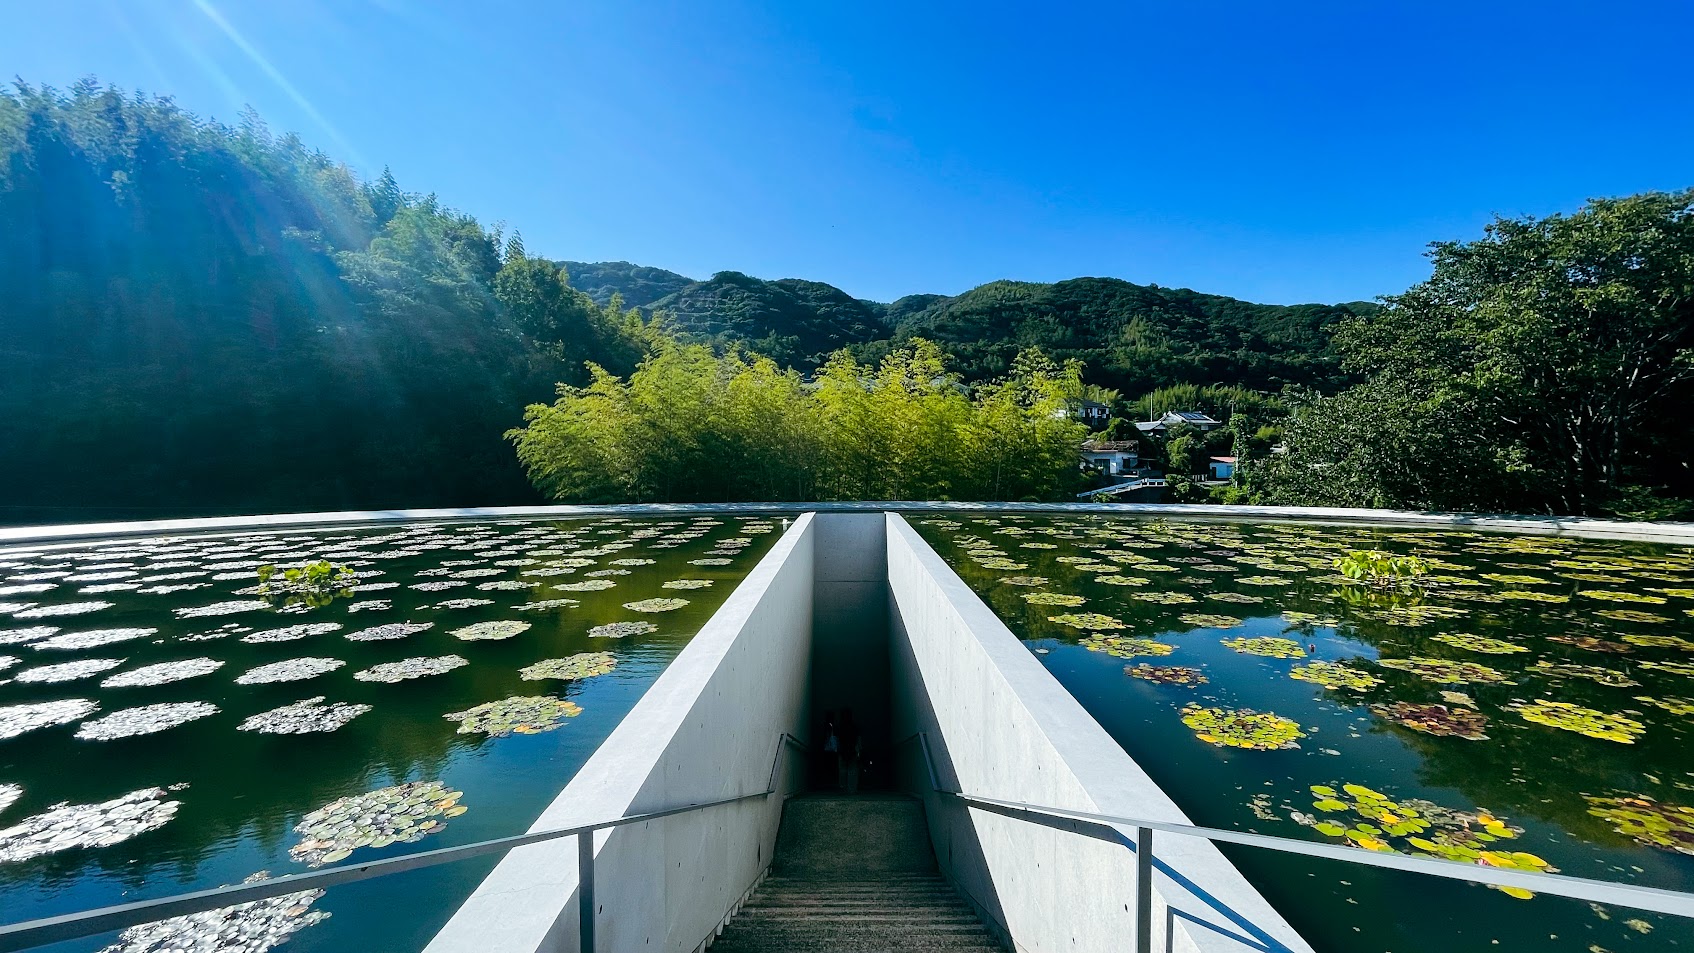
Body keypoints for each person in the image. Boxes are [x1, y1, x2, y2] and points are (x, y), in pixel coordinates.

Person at [837, 708, 862, 793]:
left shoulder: (840, 727)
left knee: (842, 770)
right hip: (852, 749)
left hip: (843, 750)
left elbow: (837, 740)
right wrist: (859, 750)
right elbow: (858, 740)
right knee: (853, 770)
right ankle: (852, 789)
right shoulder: (855, 727)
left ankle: (843, 788)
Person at [818, 710, 839, 789]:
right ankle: (832, 780)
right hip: (832, 748)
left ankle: (828, 780)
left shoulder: (826, 725)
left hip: (827, 747)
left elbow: (826, 736)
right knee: (832, 764)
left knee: (828, 764)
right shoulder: (832, 725)